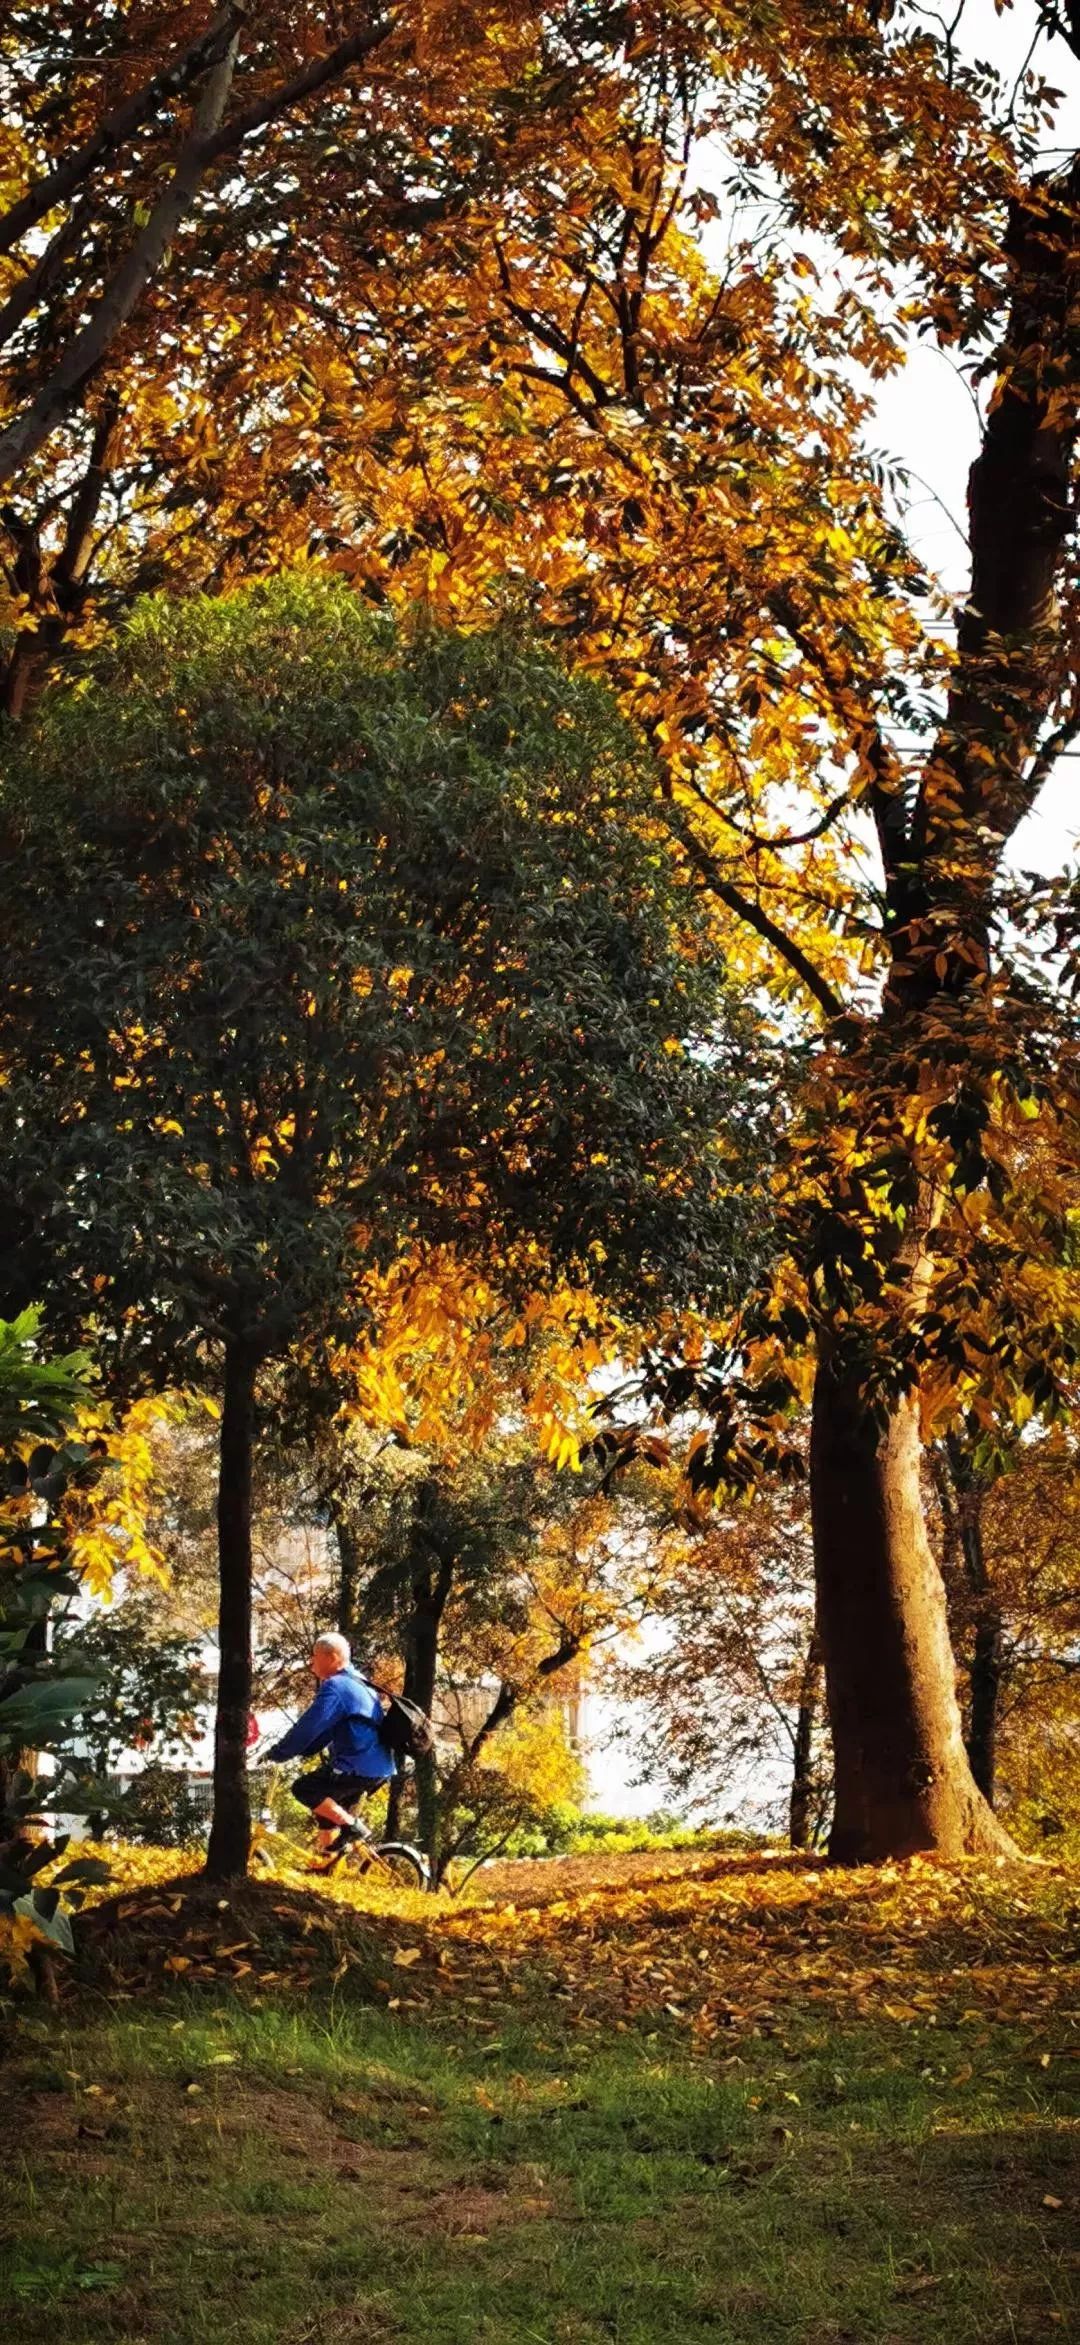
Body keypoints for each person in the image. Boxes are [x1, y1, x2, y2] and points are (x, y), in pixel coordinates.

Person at [266, 1632, 396, 1862]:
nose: (311, 1663)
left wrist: (279, 1752)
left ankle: (354, 1828)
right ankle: (327, 1864)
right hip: (378, 1767)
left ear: (332, 1657)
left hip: (358, 1766)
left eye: (314, 1657)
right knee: (326, 1809)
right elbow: (324, 1732)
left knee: (305, 1789)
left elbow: (308, 1726)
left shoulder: (337, 1686)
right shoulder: (359, 1682)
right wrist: (305, 1750)